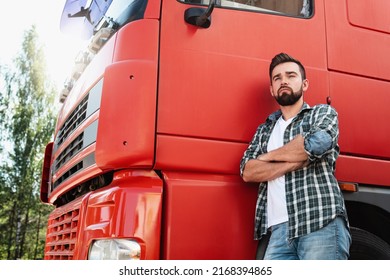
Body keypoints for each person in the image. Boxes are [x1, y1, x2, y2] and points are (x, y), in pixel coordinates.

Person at [240, 53, 351, 260]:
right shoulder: (264, 129)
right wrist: (296, 159)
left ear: (304, 83)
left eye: (291, 75)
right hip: (277, 232)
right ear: (272, 89)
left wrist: (266, 158)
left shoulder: (322, 114)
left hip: (319, 221)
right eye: (277, 78)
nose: (283, 81)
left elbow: (315, 145)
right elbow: (247, 171)